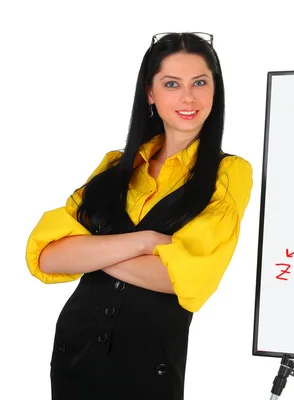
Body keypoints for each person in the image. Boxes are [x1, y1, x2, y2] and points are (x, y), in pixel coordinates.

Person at [25, 32, 253, 400]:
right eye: (171, 84)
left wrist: (94, 252)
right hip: (75, 356)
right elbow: (47, 255)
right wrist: (145, 242)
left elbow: (182, 278)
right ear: (150, 93)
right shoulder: (116, 165)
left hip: (148, 367)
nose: (188, 97)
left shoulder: (229, 174)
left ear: (215, 89)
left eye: (199, 82)